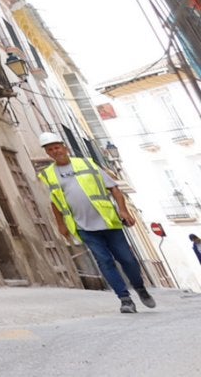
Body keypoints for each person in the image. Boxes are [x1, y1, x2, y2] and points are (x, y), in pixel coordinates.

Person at [35, 131, 155, 314]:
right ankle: (125, 299)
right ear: (47, 153)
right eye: (50, 149)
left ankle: (140, 288)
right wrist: (61, 225)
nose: (55, 151)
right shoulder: (49, 174)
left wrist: (123, 210)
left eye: (57, 147)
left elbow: (114, 189)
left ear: (64, 148)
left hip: (109, 221)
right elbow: (55, 202)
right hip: (84, 227)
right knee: (104, 262)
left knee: (127, 260)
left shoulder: (87, 164)